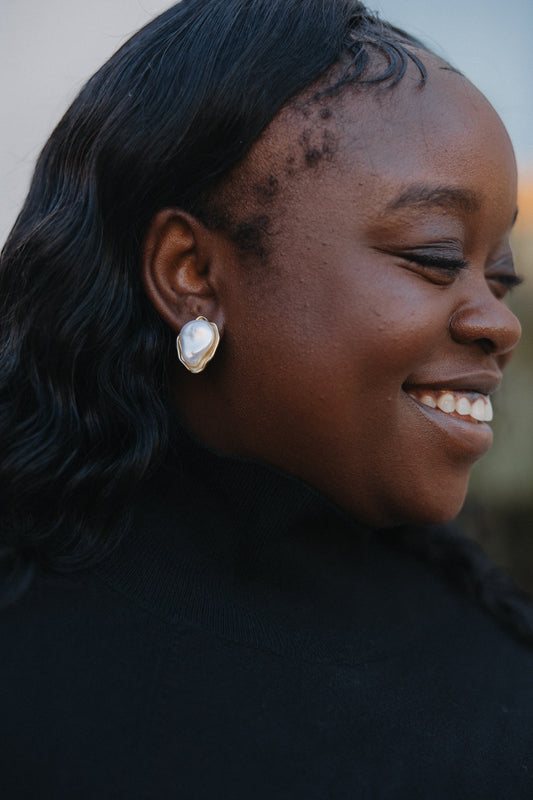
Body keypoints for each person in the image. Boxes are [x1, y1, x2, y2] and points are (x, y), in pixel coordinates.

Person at [1, 1, 532, 797]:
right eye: (433, 255)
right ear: (192, 273)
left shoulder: (501, 679)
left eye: (500, 278)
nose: (499, 322)